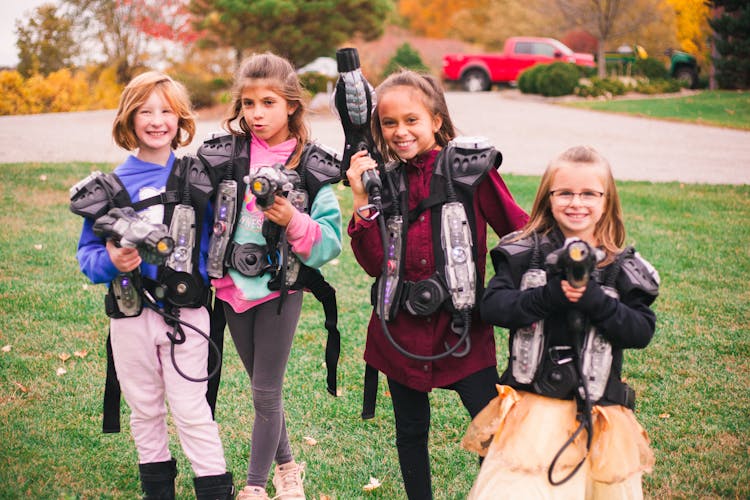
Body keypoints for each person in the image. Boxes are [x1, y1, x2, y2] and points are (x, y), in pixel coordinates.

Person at [345, 69, 528, 499]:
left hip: (464, 329)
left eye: (412, 120)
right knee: (410, 432)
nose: (400, 131)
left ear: (437, 121)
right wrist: (360, 201)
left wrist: (506, 292)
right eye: (389, 123)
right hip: (400, 331)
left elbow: (519, 232)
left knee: (492, 433)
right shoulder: (382, 181)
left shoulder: (471, 171)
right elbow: (374, 264)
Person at [463, 145, 659, 498]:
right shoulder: (524, 252)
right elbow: (492, 306)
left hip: (599, 413)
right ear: (548, 198)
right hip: (533, 412)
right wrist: (549, 296)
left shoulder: (621, 267)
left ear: (607, 201)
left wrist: (595, 300)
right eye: (565, 192)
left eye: (589, 194)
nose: (576, 202)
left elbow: (641, 330)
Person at [73, 71, 234, 499]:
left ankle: (214, 490)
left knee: (191, 409)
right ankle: (158, 492)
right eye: (145, 111)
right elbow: (87, 258)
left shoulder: (198, 177)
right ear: (128, 120)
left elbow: (221, 237)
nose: (156, 120)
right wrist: (112, 260)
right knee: (144, 410)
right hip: (130, 318)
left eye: (166, 111)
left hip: (188, 315)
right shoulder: (109, 186)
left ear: (181, 120)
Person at [201, 52, 342, 500]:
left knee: (265, 392)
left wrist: (292, 219)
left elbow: (329, 243)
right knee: (264, 392)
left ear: (292, 106)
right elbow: (199, 214)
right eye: (247, 104)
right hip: (231, 289)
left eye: (268, 103)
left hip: (282, 291)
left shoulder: (311, 167)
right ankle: (287, 468)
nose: (256, 114)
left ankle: (254, 488)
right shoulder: (223, 157)